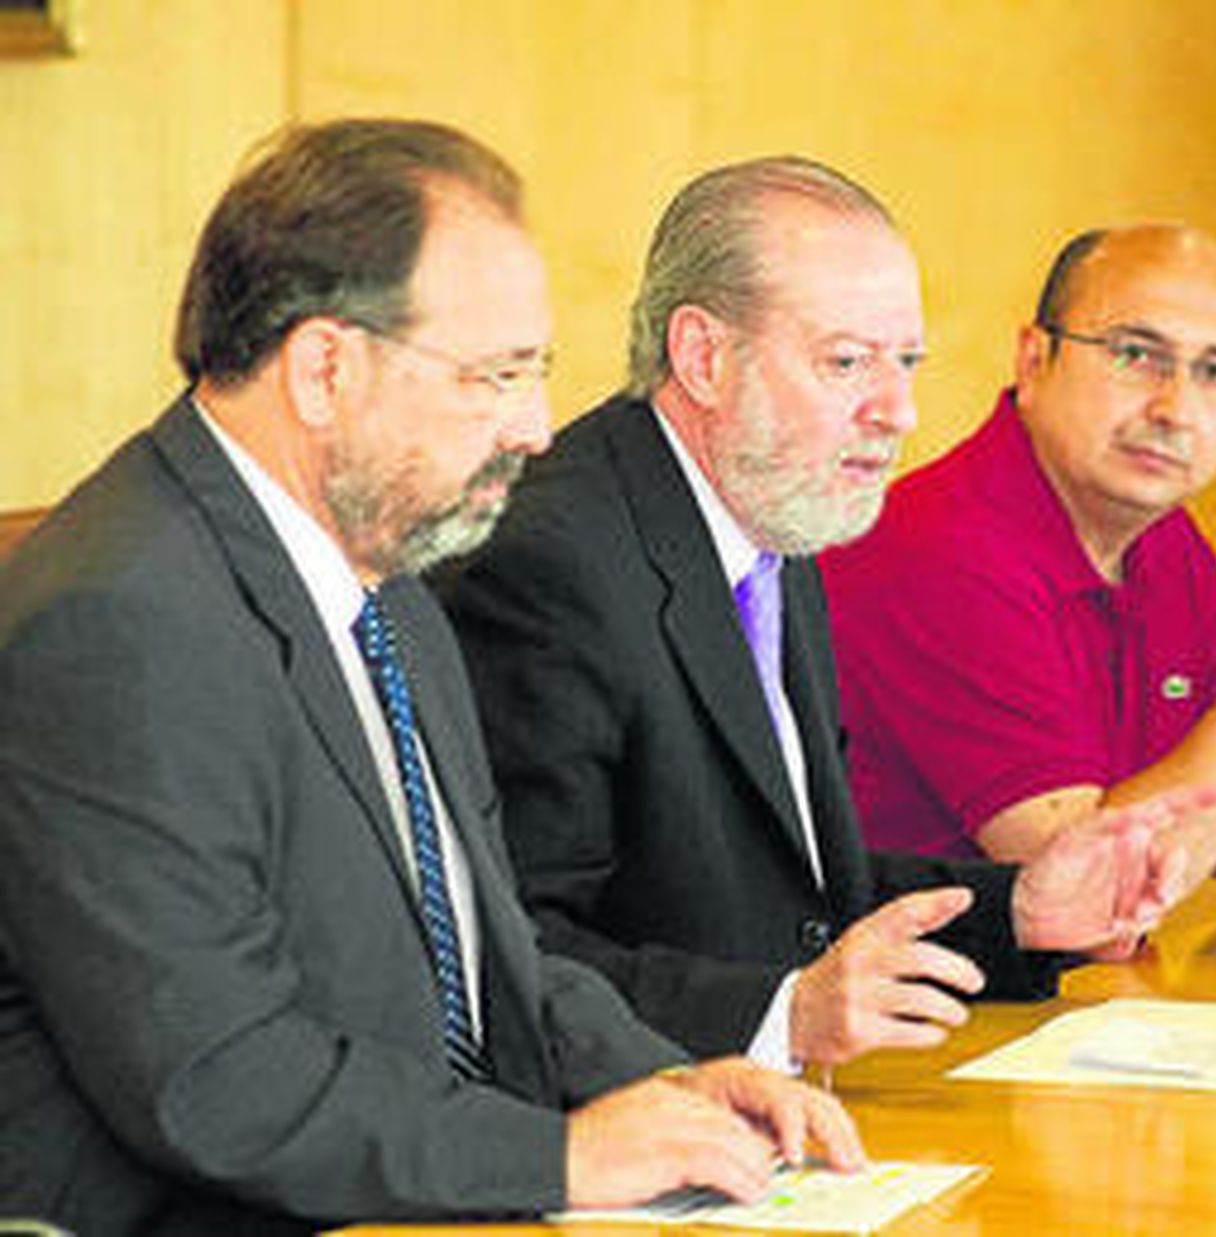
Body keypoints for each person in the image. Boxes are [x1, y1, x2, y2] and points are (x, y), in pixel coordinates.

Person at [0, 120, 859, 1237]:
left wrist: (670, 1085)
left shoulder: (389, 576)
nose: (537, 428)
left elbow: (490, 947)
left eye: (537, 373)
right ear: (324, 369)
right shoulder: (118, 623)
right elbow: (217, 1076)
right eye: (494, 376)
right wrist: (558, 1153)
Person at [439, 158, 1212, 1070]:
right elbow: (507, 954)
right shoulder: (549, 564)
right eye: (846, 362)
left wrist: (1023, 911)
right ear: (703, 357)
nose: (898, 411)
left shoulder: (775, 517)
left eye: (907, 363)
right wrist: (781, 1016)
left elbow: (797, 887)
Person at [821, 225, 1216, 927]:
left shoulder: (1169, 546)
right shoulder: (938, 548)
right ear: (1034, 358)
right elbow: (1091, 898)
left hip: (1069, 1005)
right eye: (1137, 355)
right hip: (911, 1017)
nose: (1175, 408)